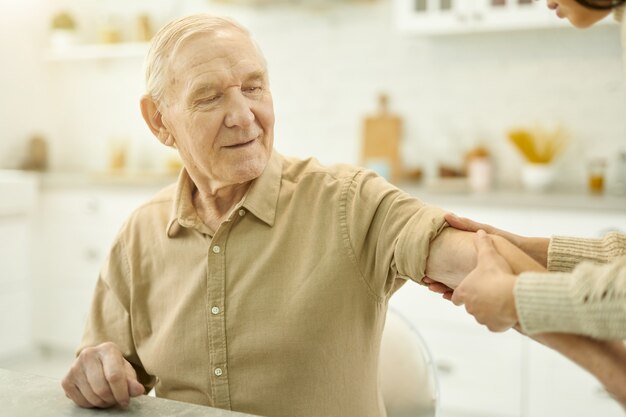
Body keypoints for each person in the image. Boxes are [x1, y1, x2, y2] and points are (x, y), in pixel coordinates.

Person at [61, 13, 626, 417]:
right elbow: (103, 364)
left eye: (254, 87)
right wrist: (95, 370)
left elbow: (472, 261)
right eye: (210, 98)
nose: (244, 116)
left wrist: (611, 367)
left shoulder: (348, 201)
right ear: (159, 121)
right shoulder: (139, 233)